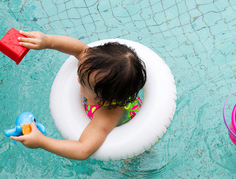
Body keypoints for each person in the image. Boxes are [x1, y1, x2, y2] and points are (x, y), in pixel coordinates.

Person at [10, 31, 147, 160]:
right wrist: (46, 41)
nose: (77, 81)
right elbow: (80, 49)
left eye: (82, 83)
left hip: (124, 134)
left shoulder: (107, 115)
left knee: (131, 158)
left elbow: (83, 150)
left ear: (104, 99)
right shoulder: (95, 65)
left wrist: (42, 142)